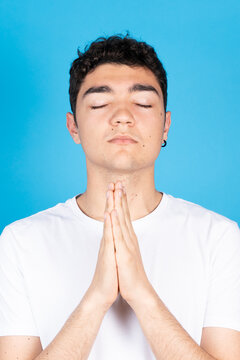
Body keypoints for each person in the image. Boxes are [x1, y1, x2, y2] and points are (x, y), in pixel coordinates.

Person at [0, 33, 239, 360]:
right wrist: (96, 298)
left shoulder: (220, 238)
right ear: (74, 128)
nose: (123, 116)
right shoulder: (19, 242)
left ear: (165, 125)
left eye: (142, 103)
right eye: (100, 103)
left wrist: (141, 294)